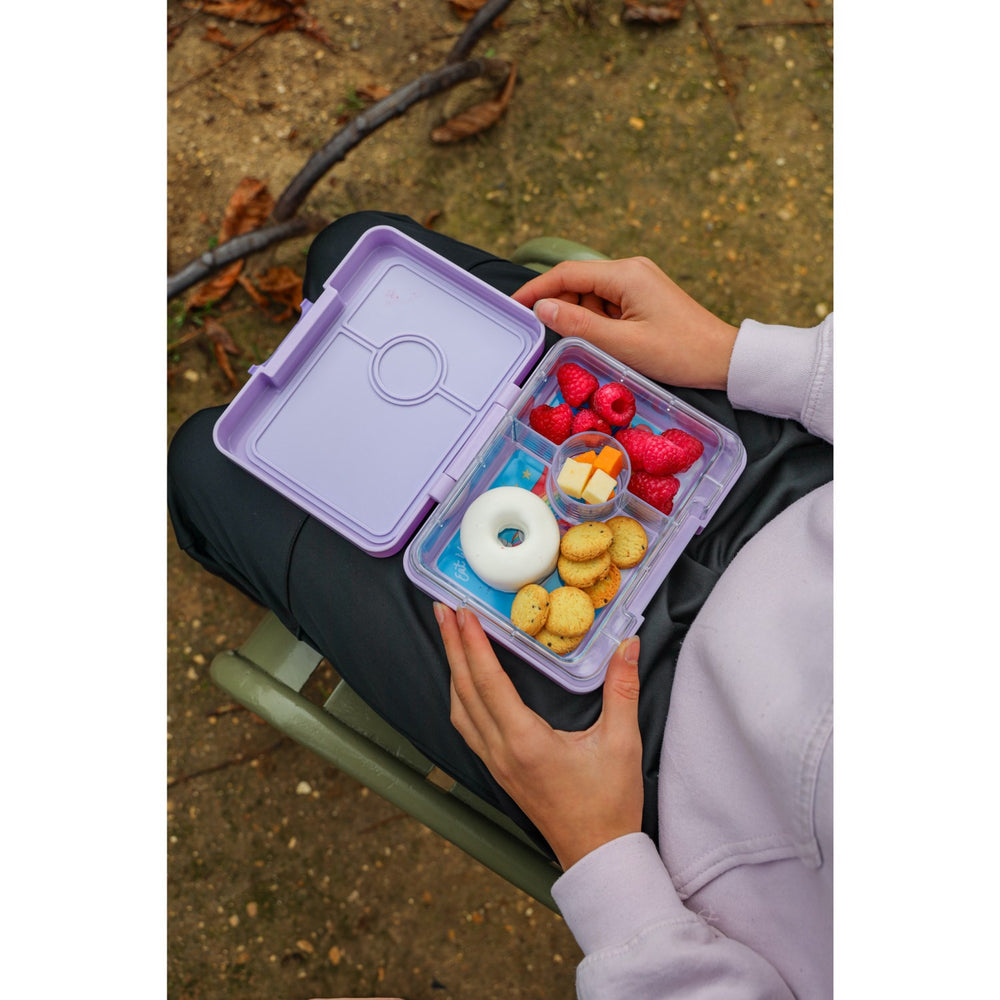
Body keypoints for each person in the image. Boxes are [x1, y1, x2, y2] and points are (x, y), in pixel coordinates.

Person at [168, 211, 832, 998]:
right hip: (774, 485)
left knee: (204, 466)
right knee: (357, 251)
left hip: (654, 763)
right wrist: (765, 360)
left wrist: (603, 857)